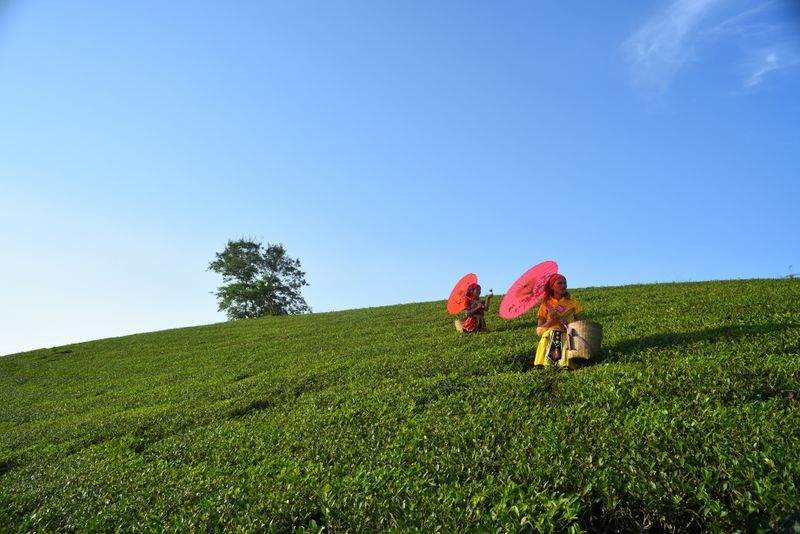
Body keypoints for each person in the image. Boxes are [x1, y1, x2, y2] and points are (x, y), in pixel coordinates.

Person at [534, 273, 582, 369]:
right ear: (552, 286)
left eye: (565, 283)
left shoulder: (573, 303)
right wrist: (550, 322)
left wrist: (568, 323)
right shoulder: (545, 305)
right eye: (559, 283)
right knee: (552, 333)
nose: (563, 285)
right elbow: (539, 331)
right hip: (549, 335)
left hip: (567, 334)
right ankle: (546, 363)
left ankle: (565, 364)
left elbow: (581, 326)